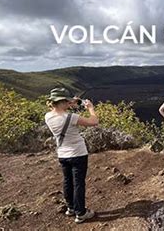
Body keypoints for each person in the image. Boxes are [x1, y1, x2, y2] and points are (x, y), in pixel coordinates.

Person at [45, 88, 99, 224]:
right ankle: (81, 213)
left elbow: (61, 112)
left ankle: (71, 208)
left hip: (62, 154)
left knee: (67, 181)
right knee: (78, 183)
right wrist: (91, 108)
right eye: (67, 101)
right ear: (62, 102)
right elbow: (94, 122)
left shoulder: (48, 116)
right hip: (78, 154)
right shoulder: (71, 117)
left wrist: (71, 103)